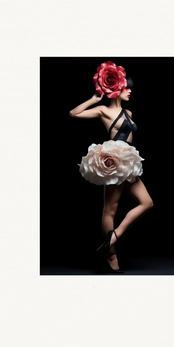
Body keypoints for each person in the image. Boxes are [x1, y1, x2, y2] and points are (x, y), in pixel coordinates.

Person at [69, 62, 153, 273]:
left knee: (147, 203)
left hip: (127, 161)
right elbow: (74, 113)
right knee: (111, 209)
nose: (130, 91)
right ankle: (111, 254)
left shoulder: (129, 113)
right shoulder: (103, 110)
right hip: (113, 161)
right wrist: (93, 99)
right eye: (126, 87)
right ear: (116, 89)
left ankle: (113, 236)